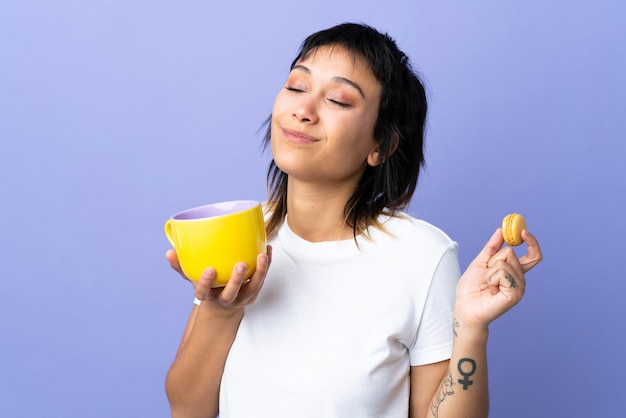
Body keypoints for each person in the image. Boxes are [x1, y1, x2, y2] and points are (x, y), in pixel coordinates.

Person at [164, 22, 542, 418]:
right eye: (296, 86)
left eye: (339, 101)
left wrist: (470, 329)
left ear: (381, 145)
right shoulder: (237, 232)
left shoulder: (422, 256)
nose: (303, 111)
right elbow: (188, 409)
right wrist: (220, 310)